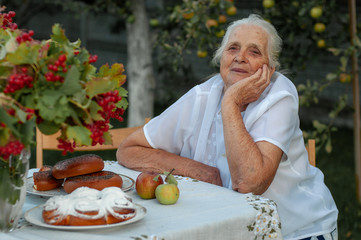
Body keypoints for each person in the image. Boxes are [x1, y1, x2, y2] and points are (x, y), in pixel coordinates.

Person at [116, 14, 338, 239]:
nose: (240, 57)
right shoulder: (202, 95)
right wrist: (199, 171)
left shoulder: (280, 95)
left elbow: (249, 183)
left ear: (270, 68)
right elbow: (128, 150)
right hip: (223, 227)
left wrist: (230, 103)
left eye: (254, 51)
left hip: (294, 229)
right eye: (233, 48)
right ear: (221, 57)